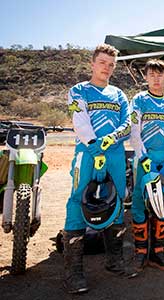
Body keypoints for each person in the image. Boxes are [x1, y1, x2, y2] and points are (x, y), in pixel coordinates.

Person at [64, 44, 135, 294]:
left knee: (116, 203)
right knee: (77, 203)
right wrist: (95, 146)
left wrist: (112, 138)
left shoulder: (119, 94)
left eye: (111, 64)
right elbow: (79, 121)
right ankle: (74, 273)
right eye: (102, 62)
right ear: (92, 63)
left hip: (115, 154)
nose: (107, 68)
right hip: (87, 154)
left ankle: (114, 261)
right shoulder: (78, 91)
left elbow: (128, 124)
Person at [129, 59, 164, 273]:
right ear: (145, 77)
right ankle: (140, 253)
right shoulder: (139, 100)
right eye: (152, 74)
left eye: (160, 74)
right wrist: (143, 158)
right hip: (144, 161)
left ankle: (157, 252)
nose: (156, 78)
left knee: (163, 204)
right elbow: (134, 131)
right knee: (140, 204)